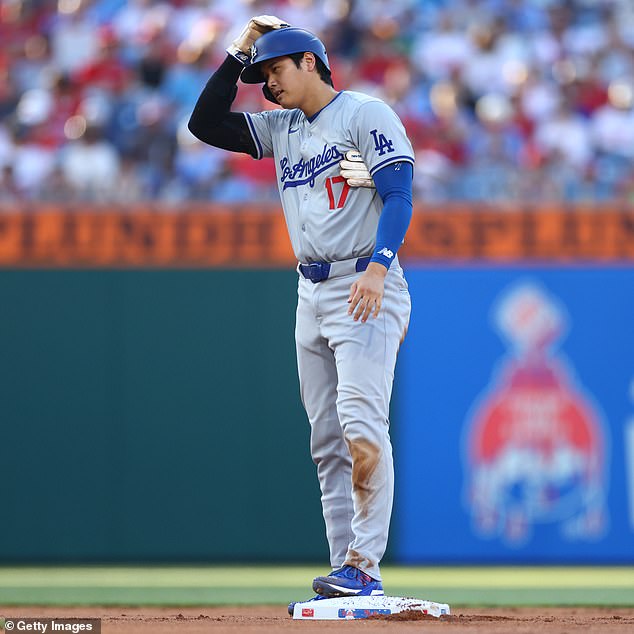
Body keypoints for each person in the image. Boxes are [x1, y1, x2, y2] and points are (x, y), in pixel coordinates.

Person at [188, 16, 414, 612]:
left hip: (364, 280)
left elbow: (399, 193)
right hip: (310, 291)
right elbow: (204, 123)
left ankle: (365, 567)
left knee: (362, 424)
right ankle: (344, 569)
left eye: (275, 70)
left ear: (309, 62)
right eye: (261, 75)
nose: (269, 84)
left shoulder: (365, 113)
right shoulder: (283, 127)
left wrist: (380, 266)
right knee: (327, 438)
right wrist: (240, 50)